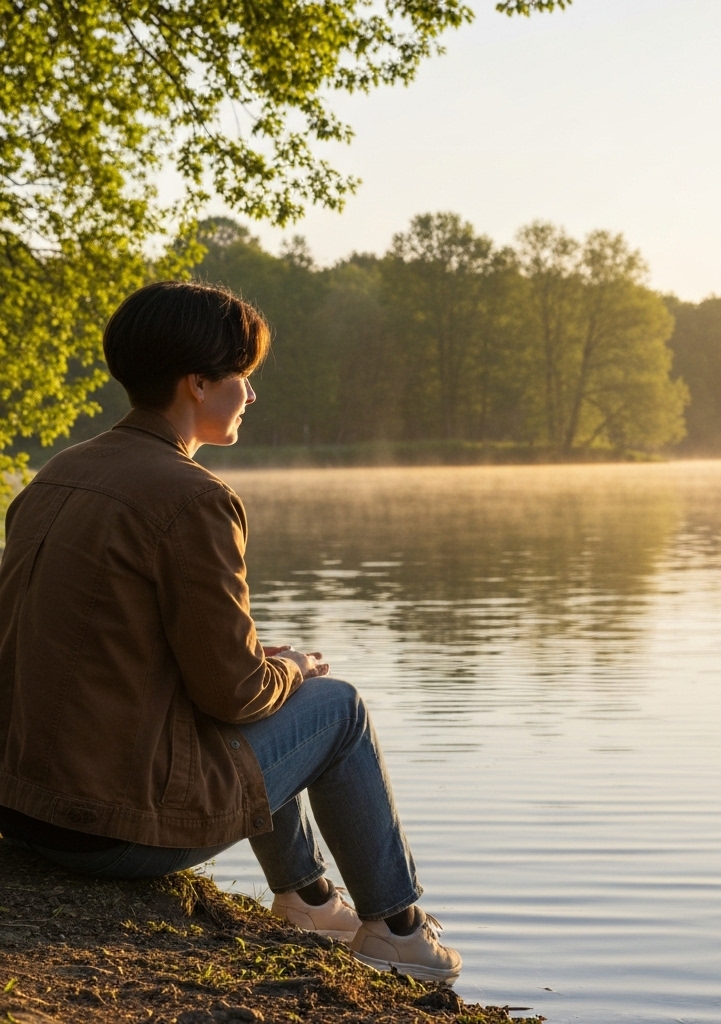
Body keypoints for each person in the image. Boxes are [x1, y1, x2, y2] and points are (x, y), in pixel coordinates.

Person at [0, 281, 460, 984]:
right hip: (109, 831)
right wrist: (294, 670)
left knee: (273, 684)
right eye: (242, 378)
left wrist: (257, 663)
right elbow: (235, 698)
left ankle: (307, 897)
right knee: (336, 708)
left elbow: (123, 656)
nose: (250, 395)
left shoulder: (58, 473)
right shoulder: (196, 498)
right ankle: (396, 927)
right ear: (198, 384)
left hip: (25, 810)